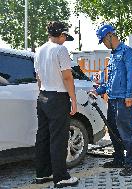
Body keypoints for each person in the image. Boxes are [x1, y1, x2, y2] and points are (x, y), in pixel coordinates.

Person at [34, 21, 78, 188]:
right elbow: (67, 77)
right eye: (65, 36)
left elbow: (38, 78)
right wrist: (73, 100)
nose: (65, 40)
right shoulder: (60, 49)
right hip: (58, 98)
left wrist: (42, 94)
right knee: (58, 139)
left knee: (43, 137)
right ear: (61, 35)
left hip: (43, 96)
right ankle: (61, 177)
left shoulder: (39, 50)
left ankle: (42, 174)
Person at [94, 24, 132, 176]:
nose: (104, 44)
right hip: (112, 100)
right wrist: (98, 90)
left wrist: (129, 95)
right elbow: (110, 80)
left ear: (109, 36)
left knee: (127, 132)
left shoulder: (127, 52)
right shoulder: (112, 56)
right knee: (113, 131)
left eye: (103, 41)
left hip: (123, 99)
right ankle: (119, 158)